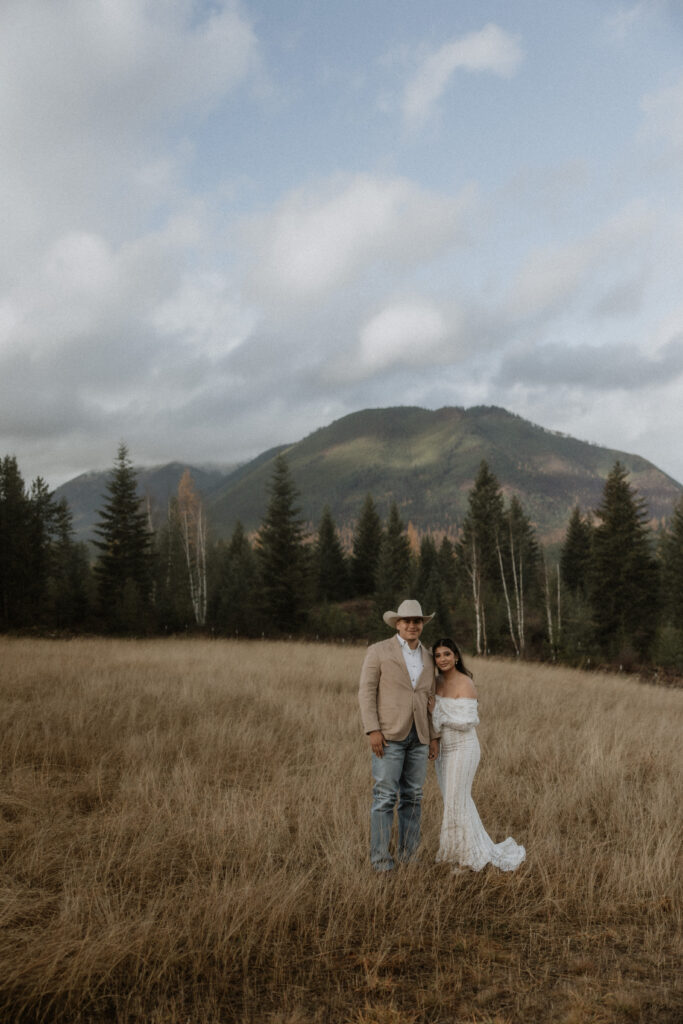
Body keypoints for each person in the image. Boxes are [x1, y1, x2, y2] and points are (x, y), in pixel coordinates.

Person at [428, 638, 525, 872]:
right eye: (438, 655)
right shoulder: (435, 683)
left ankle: (466, 860)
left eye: (447, 654)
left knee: (457, 801)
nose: (442, 659)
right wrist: (433, 739)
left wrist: (436, 711)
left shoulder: (466, 682)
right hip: (444, 750)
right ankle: (458, 851)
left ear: (456, 656)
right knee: (453, 801)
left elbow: (467, 721)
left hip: (464, 747)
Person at [358, 599, 440, 872]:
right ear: (397, 624)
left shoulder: (429, 656)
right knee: (384, 797)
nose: (412, 625)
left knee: (413, 797)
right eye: (407, 621)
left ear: (422, 624)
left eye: (417, 621)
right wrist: (372, 729)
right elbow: (366, 692)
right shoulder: (379, 651)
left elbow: (431, 697)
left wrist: (433, 736)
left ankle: (409, 856)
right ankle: (381, 861)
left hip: (420, 737)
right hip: (388, 735)